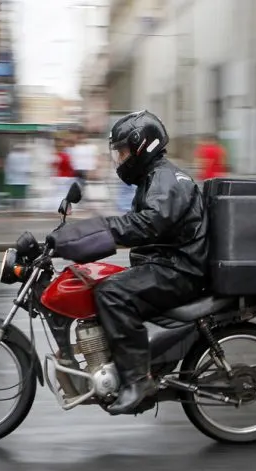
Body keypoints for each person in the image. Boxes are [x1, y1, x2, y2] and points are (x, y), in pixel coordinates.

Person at [47, 110, 208, 415]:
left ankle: (137, 380)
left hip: (180, 269)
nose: (119, 159)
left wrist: (93, 232)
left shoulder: (166, 179)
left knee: (111, 293)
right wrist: (81, 238)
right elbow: (140, 226)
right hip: (170, 264)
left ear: (141, 146)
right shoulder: (153, 178)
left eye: (122, 151)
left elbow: (147, 223)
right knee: (99, 283)